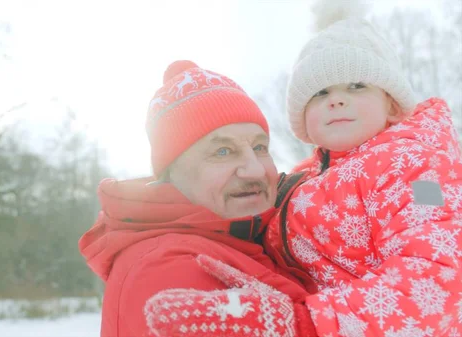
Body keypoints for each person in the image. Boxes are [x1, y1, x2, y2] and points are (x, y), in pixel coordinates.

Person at [146, 10, 462, 337]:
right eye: (320, 93)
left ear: (393, 105)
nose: (337, 100)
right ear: (303, 119)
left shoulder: (421, 171)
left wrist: (302, 323)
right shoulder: (305, 179)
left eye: (356, 86)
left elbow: (437, 282)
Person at [78, 60, 319, 337]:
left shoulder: (255, 240)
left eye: (259, 147)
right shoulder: (167, 269)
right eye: (222, 152)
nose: (254, 169)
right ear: (171, 171)